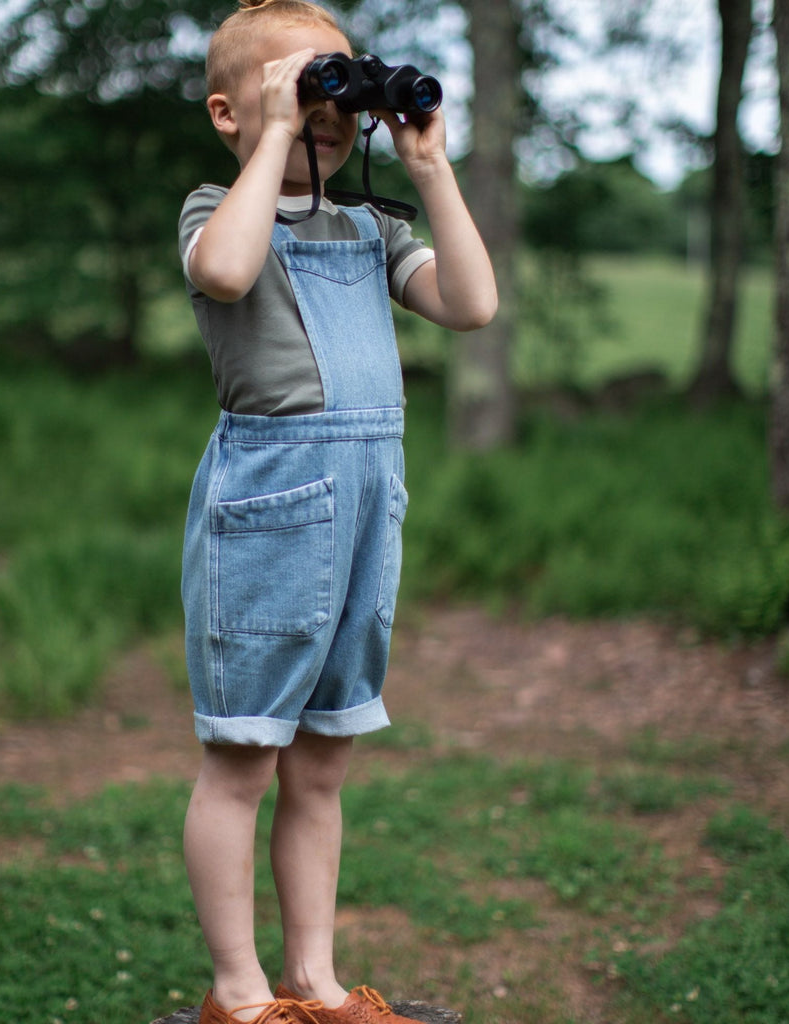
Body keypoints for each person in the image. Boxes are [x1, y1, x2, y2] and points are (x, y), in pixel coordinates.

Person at [176, 2, 497, 1023]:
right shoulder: (213, 211)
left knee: (323, 760)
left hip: (366, 512)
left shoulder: (372, 226)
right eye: (299, 85)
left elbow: (472, 303)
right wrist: (274, 134)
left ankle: (311, 979)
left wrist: (430, 167)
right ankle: (238, 992)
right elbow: (227, 270)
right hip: (270, 510)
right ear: (229, 111)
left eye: (338, 85)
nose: (325, 106)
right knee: (243, 756)